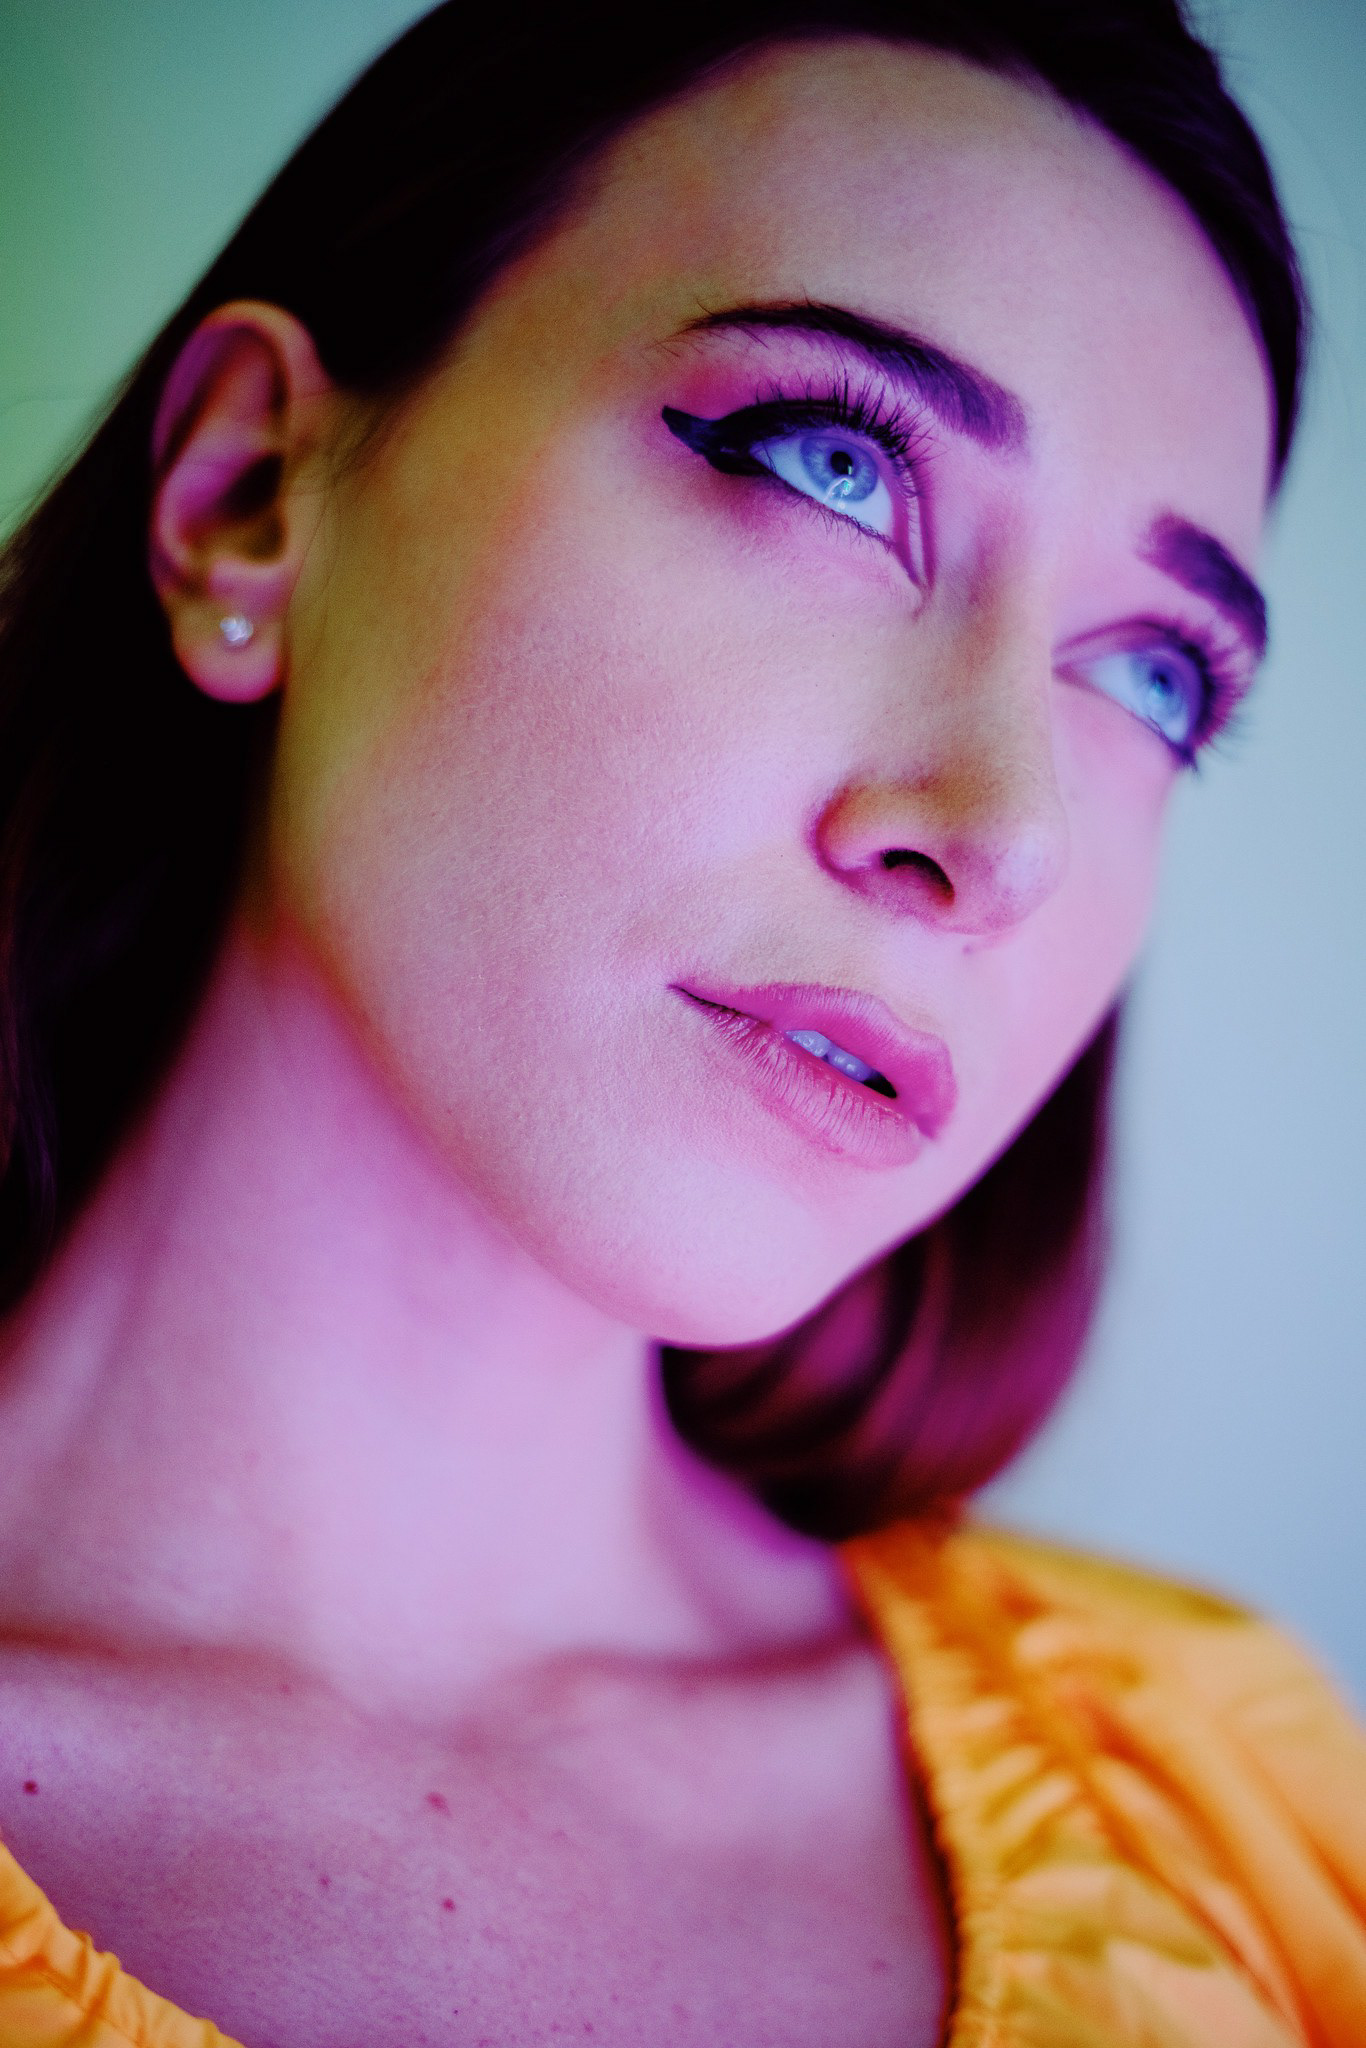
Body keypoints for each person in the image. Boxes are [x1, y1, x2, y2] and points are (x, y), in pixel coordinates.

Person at [0, 2, 1361, 2043]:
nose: (998, 832)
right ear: (250, 490)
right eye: (832, 465)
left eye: (1151, 675)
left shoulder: (1243, 1816)